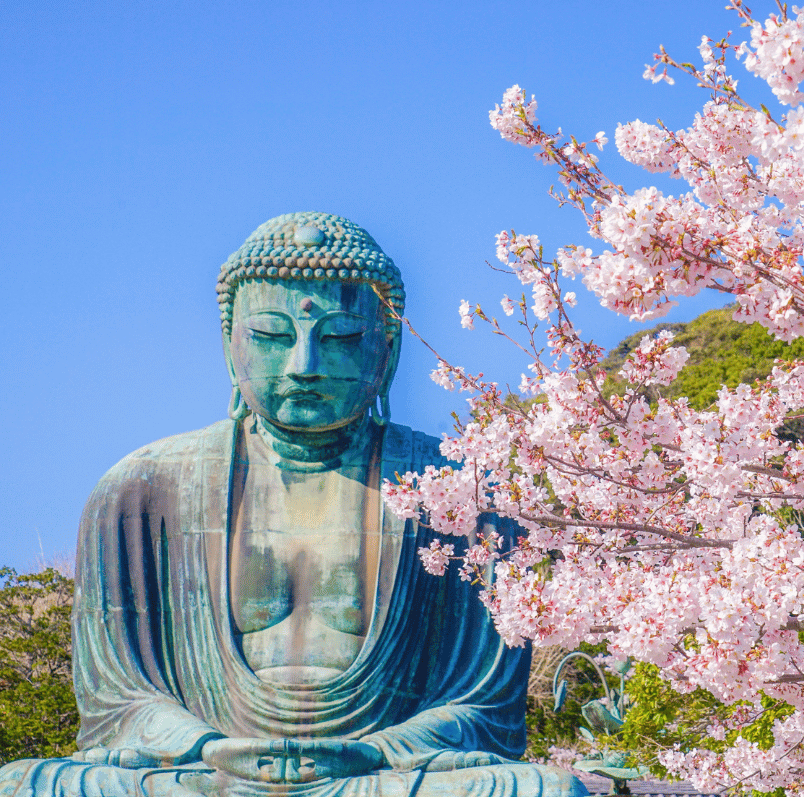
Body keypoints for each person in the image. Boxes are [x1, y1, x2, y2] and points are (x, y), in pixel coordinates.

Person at [0, 213, 586, 797]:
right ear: (230, 347)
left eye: (340, 338)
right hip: (202, 771)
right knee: (32, 785)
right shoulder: (141, 490)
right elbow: (117, 701)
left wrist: (372, 752)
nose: (304, 365)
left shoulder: (465, 490)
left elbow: (482, 705)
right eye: (272, 336)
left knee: (543, 791)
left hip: (385, 773)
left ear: (389, 346)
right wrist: (210, 748)